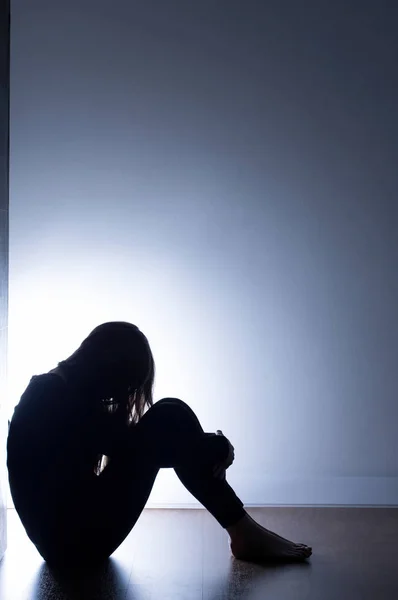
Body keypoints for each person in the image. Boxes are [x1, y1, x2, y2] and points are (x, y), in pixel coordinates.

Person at [7, 321, 312, 569]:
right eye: (125, 386)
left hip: (71, 539)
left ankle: (244, 532)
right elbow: (146, 444)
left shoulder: (54, 390)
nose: (121, 396)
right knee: (168, 415)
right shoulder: (55, 399)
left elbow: (133, 445)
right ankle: (244, 532)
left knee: (170, 413)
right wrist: (217, 447)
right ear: (106, 369)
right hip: (74, 548)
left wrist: (211, 446)